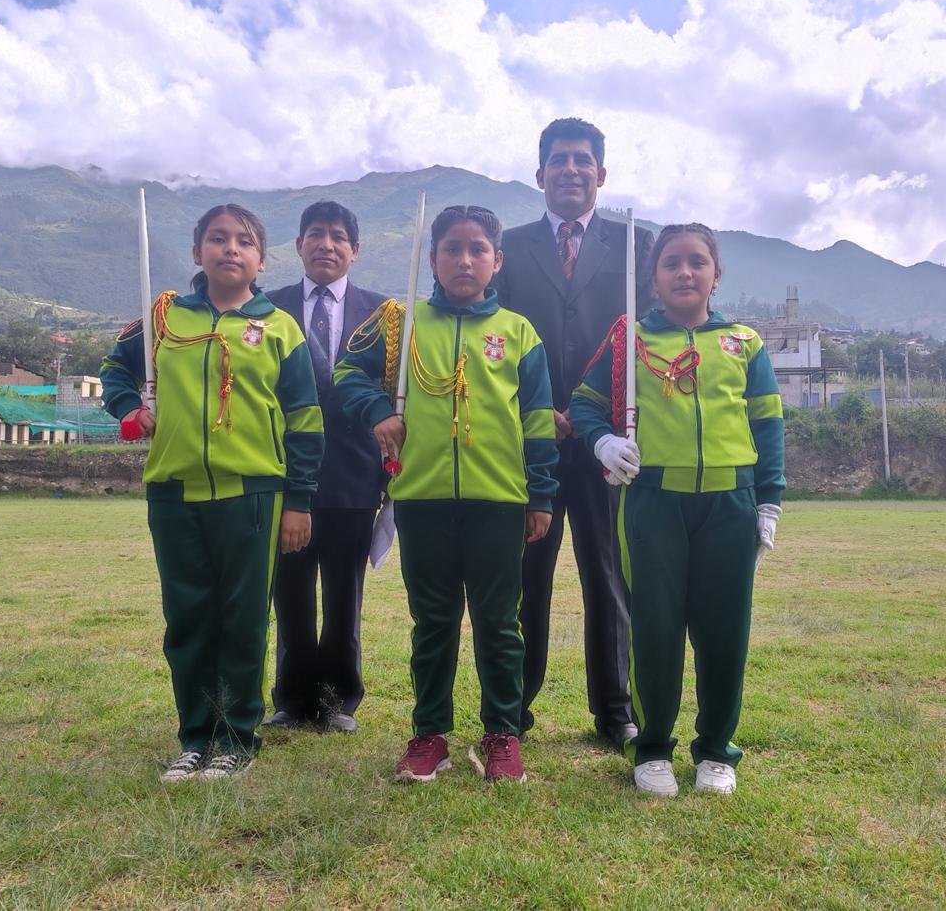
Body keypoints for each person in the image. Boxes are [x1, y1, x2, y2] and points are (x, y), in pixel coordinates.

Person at [334, 205, 558, 783]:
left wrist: (541, 496)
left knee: (499, 624)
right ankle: (429, 733)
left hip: (500, 501)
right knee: (432, 622)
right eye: (452, 248)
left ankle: (502, 734)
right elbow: (346, 375)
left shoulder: (519, 332)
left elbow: (536, 422)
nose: (465, 259)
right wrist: (379, 410)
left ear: (497, 260)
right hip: (423, 497)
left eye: (478, 248)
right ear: (432, 258)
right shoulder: (398, 325)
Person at [100, 203, 323, 783]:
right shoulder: (164, 320)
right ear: (197, 251)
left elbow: (304, 420)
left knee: (243, 619)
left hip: (252, 496)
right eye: (217, 239)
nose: (231, 249)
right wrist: (130, 409)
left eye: (244, 241)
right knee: (188, 619)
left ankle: (236, 739)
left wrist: (299, 500)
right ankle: (195, 736)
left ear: (261, 259)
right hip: (174, 495)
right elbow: (115, 369)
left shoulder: (279, 328)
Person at [568, 222, 785, 797]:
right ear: (654, 278)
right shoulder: (628, 339)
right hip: (652, 503)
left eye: (696, 261)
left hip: (730, 503)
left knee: (725, 629)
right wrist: (603, 443)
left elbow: (768, 426)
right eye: (671, 263)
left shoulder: (745, 343)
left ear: (716, 274)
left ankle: (716, 749)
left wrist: (769, 500)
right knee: (655, 626)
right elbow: (585, 405)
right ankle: (654, 747)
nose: (684, 272)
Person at [493, 117, 654, 749]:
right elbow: (494, 338)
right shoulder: (508, 246)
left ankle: (615, 710)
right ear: (539, 175)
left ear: (601, 174)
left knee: (609, 576)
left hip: (608, 444)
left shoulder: (635, 246)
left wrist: (593, 417)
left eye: (582, 160)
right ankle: (514, 708)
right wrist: (541, 415)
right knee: (524, 575)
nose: (570, 170)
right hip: (529, 443)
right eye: (558, 160)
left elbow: (646, 336)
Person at [263, 201, 389, 733]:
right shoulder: (265, 309)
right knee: (290, 591)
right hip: (285, 472)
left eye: (339, 236)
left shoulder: (385, 314)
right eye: (315, 234)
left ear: (355, 250)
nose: (327, 244)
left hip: (355, 476)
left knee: (344, 592)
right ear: (298, 245)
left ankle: (338, 699)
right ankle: (292, 700)